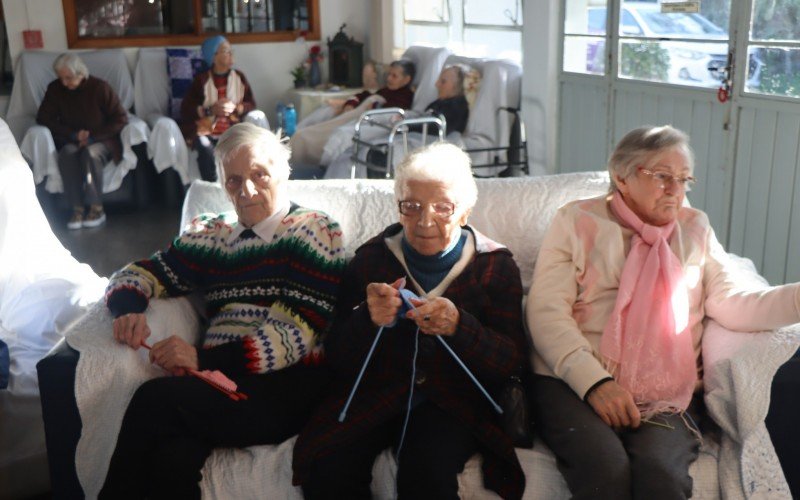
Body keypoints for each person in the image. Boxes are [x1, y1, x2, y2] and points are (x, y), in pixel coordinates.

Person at [527, 125, 800, 499]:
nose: (676, 190)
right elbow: (546, 313)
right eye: (662, 177)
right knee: (605, 468)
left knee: (662, 475)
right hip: (575, 382)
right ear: (621, 177)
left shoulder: (695, 228)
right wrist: (595, 382)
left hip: (667, 388)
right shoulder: (577, 221)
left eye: (684, 179)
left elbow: (732, 303)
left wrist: (798, 299)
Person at [99, 123, 345, 499]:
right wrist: (127, 309)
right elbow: (136, 273)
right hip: (218, 383)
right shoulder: (212, 235)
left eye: (260, 175)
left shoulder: (312, 230)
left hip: (286, 389)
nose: (246, 191)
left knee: (154, 400)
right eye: (233, 181)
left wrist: (199, 357)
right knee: (171, 459)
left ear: (284, 171)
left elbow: (293, 335)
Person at [293, 142, 527, 499]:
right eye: (412, 206)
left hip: (452, 400)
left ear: (464, 212)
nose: (425, 220)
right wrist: (367, 320)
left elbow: (511, 361)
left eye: (443, 207)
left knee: (427, 476)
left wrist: (460, 327)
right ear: (398, 207)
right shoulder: (371, 261)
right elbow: (336, 356)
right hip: (378, 391)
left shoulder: (494, 266)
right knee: (328, 468)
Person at [322, 65, 470, 179]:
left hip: (419, 139)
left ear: (456, 86)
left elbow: (435, 127)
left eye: (443, 81)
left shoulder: (457, 106)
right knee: (351, 151)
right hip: (407, 132)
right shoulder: (441, 102)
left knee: (358, 155)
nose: (437, 84)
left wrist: (407, 123)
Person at [36, 53, 128, 230]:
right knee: (67, 155)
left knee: (90, 154)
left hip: (101, 140)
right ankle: (77, 209)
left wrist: (93, 137)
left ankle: (97, 208)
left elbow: (120, 119)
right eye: (61, 78)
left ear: (81, 74)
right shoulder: (55, 89)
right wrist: (73, 135)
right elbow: (44, 118)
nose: (64, 83)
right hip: (71, 140)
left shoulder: (100, 88)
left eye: (69, 78)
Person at [289, 59, 416, 167]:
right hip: (350, 116)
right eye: (389, 74)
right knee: (319, 117)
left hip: (361, 122)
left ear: (406, 79)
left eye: (394, 76)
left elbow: (386, 113)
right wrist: (351, 104)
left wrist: (372, 105)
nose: (389, 78)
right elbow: (362, 95)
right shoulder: (386, 90)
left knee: (310, 137)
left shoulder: (405, 96)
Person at [180, 35, 256, 182]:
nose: (231, 54)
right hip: (208, 132)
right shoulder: (201, 80)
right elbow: (186, 109)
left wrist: (236, 108)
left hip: (233, 130)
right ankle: (211, 189)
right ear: (213, 57)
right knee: (203, 146)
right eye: (226, 51)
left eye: (230, 50)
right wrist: (210, 110)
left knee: (242, 146)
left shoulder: (239, 77)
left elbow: (251, 104)